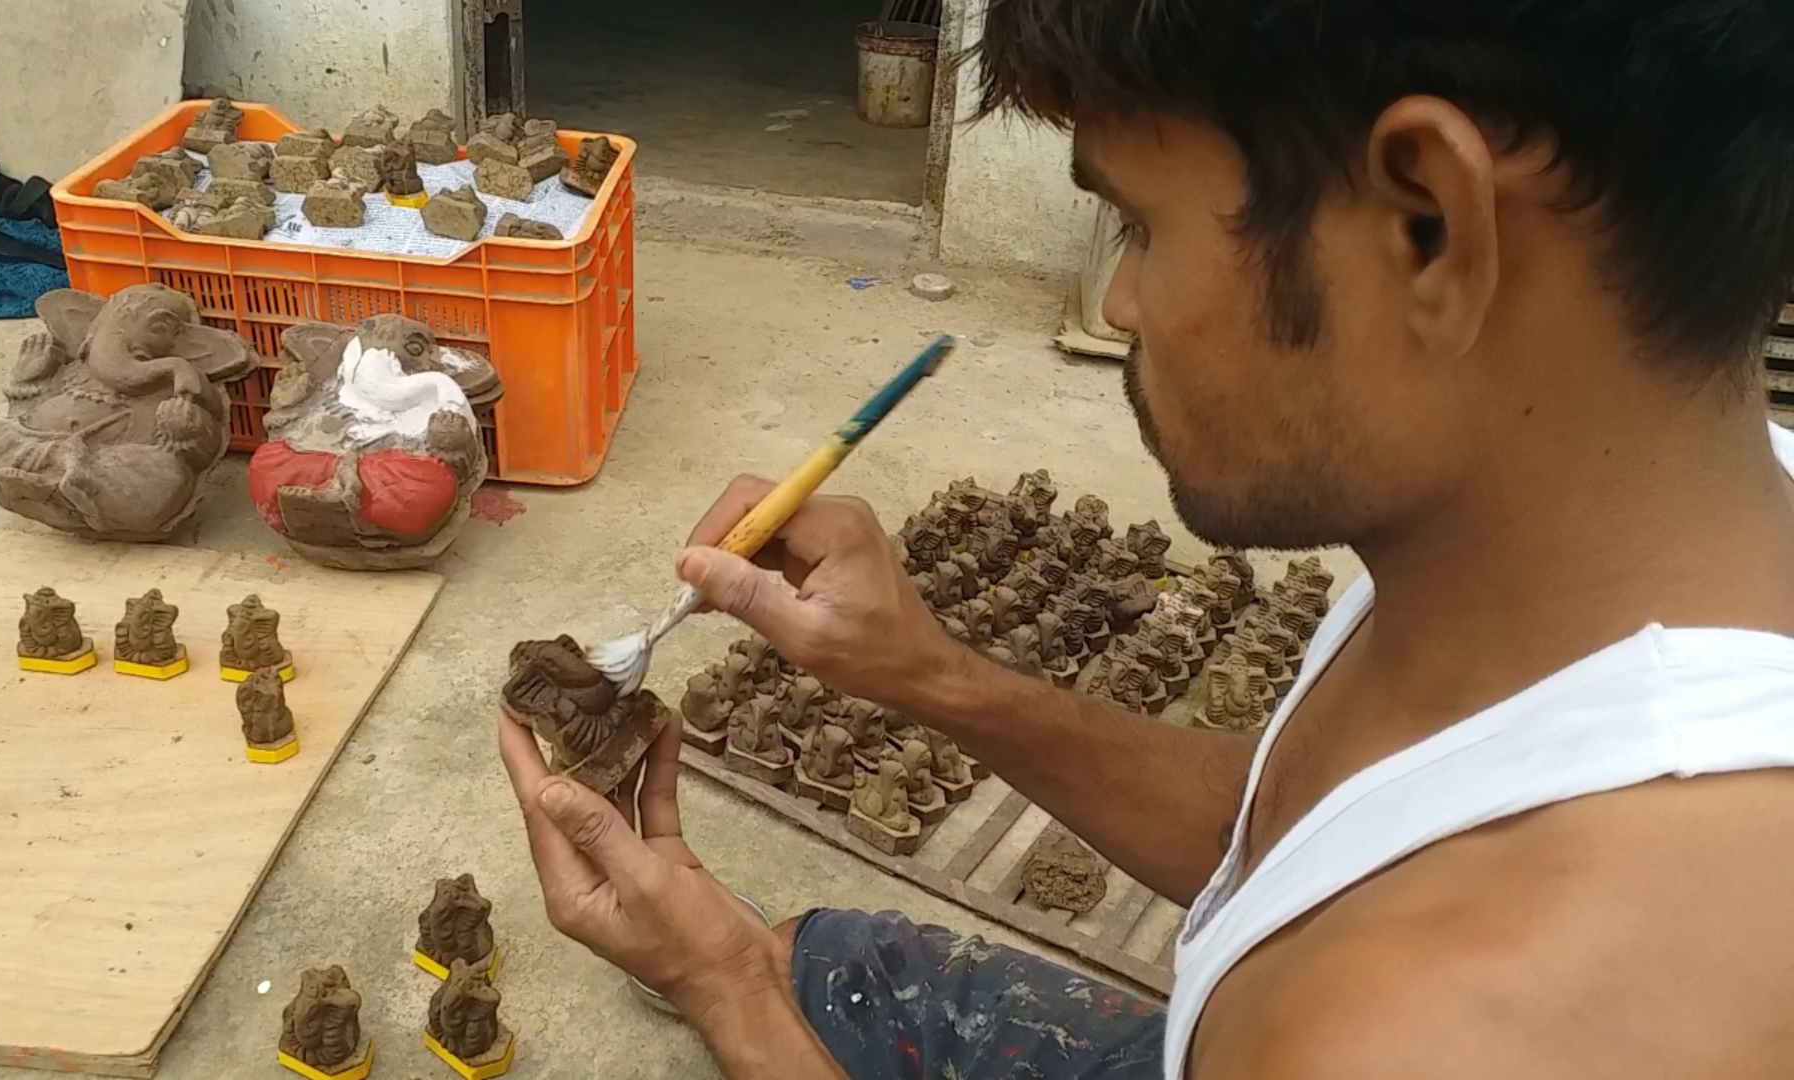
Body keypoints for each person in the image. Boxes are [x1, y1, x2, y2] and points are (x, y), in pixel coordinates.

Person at [500, 0, 1794, 1076]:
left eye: (1141, 222)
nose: (1118, 302)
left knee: (764, 974)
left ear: (1431, 224)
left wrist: (720, 984)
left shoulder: (1429, 1030)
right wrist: (926, 673)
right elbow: (1308, 825)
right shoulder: (1643, 527)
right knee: (831, 965)